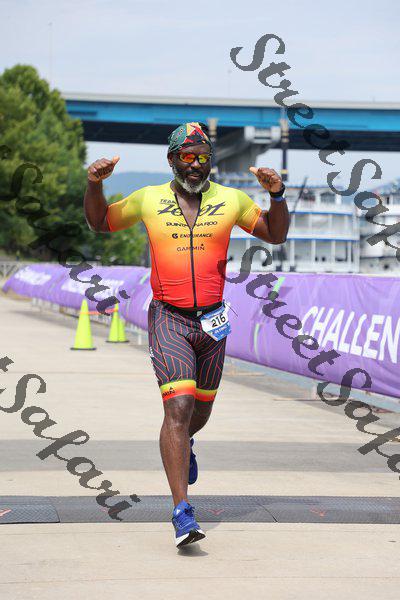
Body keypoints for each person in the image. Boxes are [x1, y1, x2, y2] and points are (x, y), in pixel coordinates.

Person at [84, 121, 289, 548]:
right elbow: (100, 222)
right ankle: (182, 510)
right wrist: (95, 185)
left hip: (213, 321)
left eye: (203, 158)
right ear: (172, 159)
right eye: (187, 157)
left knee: (200, 411)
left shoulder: (231, 200)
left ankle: (185, 443)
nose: (195, 165)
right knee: (177, 407)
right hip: (169, 318)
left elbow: (275, 234)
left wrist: (277, 195)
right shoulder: (148, 198)